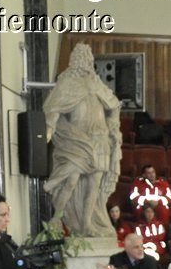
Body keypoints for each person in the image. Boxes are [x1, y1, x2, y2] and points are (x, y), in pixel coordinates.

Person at [42, 43, 121, 238]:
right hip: (77, 140)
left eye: (88, 57)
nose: (86, 61)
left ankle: (86, 224)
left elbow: (113, 106)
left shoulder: (96, 83)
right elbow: (53, 108)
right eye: (82, 57)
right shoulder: (67, 82)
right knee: (71, 181)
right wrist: (50, 129)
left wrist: (112, 126)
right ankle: (57, 217)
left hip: (99, 138)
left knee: (94, 183)